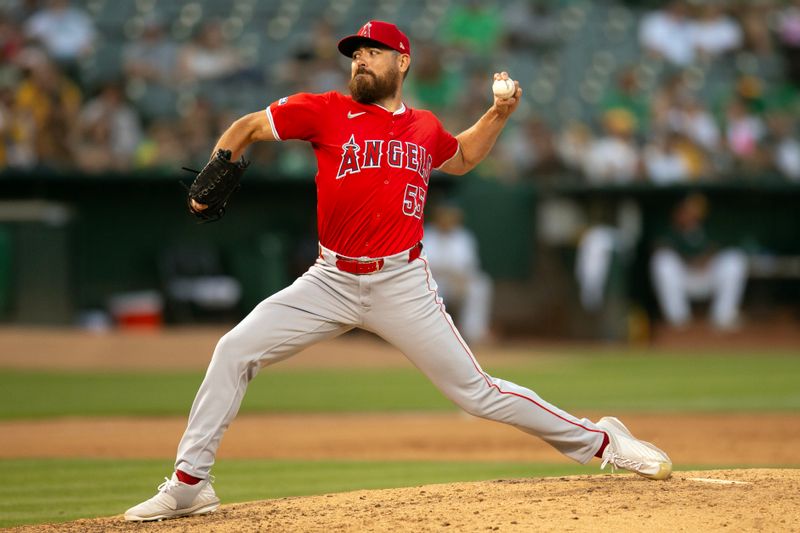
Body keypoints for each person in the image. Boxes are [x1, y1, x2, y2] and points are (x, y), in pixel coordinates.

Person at [124, 20, 672, 523]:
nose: (361, 60)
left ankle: (604, 442)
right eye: (356, 54)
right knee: (233, 350)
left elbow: (460, 157)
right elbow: (246, 127)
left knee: (477, 393)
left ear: (402, 62)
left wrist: (498, 115)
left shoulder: (424, 126)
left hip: (401, 283)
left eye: (373, 52)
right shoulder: (325, 110)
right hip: (329, 279)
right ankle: (191, 483)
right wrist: (215, 172)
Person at [650, 194, 747, 331]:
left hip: (707, 275)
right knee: (662, 261)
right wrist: (689, 259)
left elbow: (721, 247)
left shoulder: (710, 227)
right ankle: (678, 320)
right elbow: (660, 246)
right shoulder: (670, 230)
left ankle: (723, 317)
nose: (689, 214)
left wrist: (707, 258)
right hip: (683, 276)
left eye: (694, 210)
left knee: (734, 259)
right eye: (686, 210)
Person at [423, 203, 493, 344]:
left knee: (479, 285)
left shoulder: (464, 236)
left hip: (457, 281)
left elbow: (469, 265)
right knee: (433, 291)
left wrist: (461, 277)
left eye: (451, 217)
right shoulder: (426, 234)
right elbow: (426, 264)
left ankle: (474, 333)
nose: (447, 221)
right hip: (434, 281)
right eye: (444, 217)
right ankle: (432, 336)